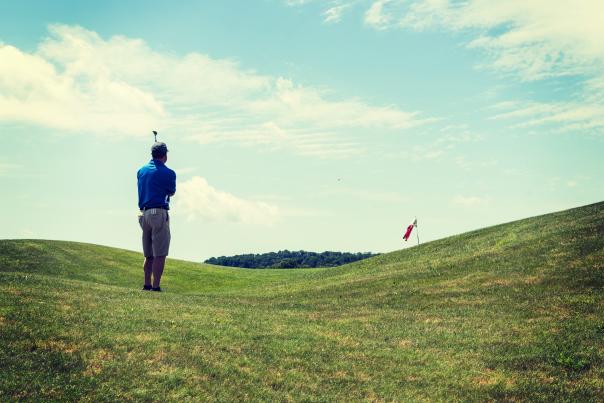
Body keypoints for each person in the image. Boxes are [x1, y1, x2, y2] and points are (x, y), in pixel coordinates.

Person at [137, 142, 176, 292]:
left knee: (148, 254)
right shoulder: (169, 173)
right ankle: (156, 286)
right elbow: (171, 192)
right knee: (160, 253)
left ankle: (146, 284)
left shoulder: (141, 171)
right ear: (165, 155)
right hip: (158, 213)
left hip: (143, 214)